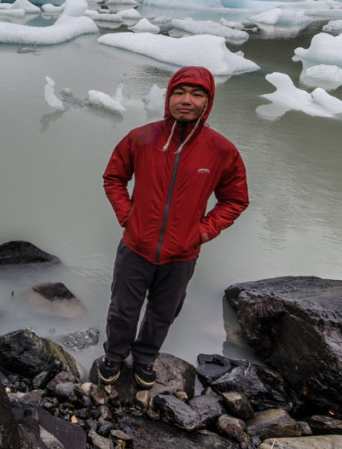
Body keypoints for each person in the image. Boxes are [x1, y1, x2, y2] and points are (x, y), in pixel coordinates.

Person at [98, 66, 249, 388]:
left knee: (163, 313)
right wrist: (128, 216)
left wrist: (204, 231)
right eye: (180, 92)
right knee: (123, 309)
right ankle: (113, 355)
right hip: (136, 246)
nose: (186, 100)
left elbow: (235, 200)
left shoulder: (222, 150)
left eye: (197, 94)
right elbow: (113, 178)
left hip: (182, 253)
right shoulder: (141, 138)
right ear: (168, 97)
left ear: (207, 102)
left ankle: (145, 359)